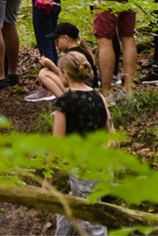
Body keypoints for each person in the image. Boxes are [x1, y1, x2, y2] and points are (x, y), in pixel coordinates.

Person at [49, 50, 112, 236]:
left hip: (82, 167)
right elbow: (111, 135)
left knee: (93, 224)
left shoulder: (65, 102)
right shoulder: (99, 96)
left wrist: (47, 178)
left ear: (65, 74)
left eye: (60, 72)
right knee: (71, 204)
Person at [31, 23, 93, 101]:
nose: (57, 46)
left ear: (65, 38)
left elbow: (68, 79)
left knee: (44, 73)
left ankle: (65, 103)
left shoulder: (71, 56)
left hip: (81, 92)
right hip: (90, 90)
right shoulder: (82, 51)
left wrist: (51, 66)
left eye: (57, 41)